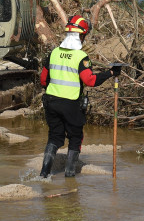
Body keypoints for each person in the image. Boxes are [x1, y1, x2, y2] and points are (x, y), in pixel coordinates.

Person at [39, 14, 120, 178]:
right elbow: (90, 80)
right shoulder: (80, 57)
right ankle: (70, 176)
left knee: (55, 137)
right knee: (75, 138)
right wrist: (110, 73)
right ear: (81, 35)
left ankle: (43, 174)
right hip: (71, 105)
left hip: (51, 102)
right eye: (84, 36)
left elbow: (42, 79)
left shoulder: (54, 53)